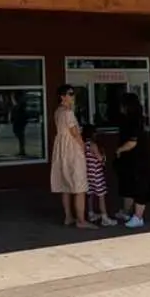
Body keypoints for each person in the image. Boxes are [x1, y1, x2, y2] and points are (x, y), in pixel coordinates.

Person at [50, 84, 95, 229]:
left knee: (66, 185)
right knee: (79, 186)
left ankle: (68, 217)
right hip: (72, 149)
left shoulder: (58, 111)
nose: (73, 96)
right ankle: (81, 221)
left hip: (61, 149)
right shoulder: (68, 112)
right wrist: (83, 148)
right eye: (70, 93)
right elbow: (75, 133)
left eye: (73, 93)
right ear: (62, 96)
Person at [115, 92, 150, 228]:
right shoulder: (129, 119)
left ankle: (138, 217)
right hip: (129, 160)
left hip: (137, 159)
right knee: (128, 185)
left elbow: (132, 142)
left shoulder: (135, 121)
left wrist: (119, 150)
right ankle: (126, 212)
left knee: (139, 187)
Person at [82, 124, 116, 226]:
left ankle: (90, 213)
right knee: (101, 195)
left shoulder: (83, 144)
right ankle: (104, 217)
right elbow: (100, 159)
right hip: (97, 173)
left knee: (90, 194)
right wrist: (104, 157)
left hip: (88, 173)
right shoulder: (93, 145)